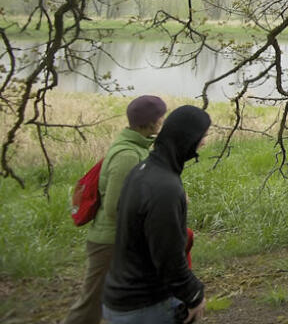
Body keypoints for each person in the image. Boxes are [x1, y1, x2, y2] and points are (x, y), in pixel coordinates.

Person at [61, 95, 168, 324]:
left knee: (112, 302)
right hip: (110, 243)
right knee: (90, 305)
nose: (163, 120)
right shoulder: (127, 155)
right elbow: (116, 208)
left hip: (117, 241)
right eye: (161, 116)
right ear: (150, 122)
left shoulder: (136, 148)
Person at [102, 104, 211, 324]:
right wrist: (194, 295)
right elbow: (168, 257)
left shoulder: (144, 170)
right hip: (146, 305)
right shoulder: (164, 187)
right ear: (187, 138)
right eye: (202, 136)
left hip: (123, 296)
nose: (204, 142)